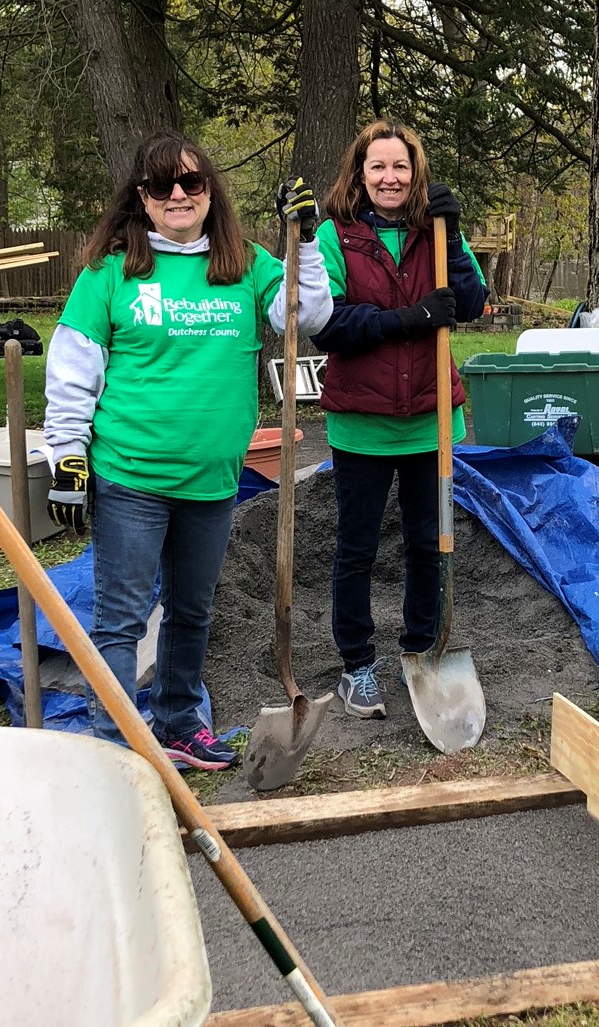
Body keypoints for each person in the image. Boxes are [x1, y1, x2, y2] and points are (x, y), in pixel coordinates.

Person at [43, 132, 331, 769]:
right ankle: (117, 743)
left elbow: (305, 317)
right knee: (121, 619)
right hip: (130, 477)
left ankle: (177, 723)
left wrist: (304, 242)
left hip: (212, 481)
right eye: (162, 186)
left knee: (192, 612)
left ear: (209, 195)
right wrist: (65, 453)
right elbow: (72, 367)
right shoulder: (112, 272)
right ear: (142, 200)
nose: (178, 195)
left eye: (191, 184)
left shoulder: (248, 265)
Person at [309, 119, 488, 719]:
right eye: (378, 166)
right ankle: (357, 665)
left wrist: (455, 236)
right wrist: (408, 319)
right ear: (360, 174)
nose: (390, 177)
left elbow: (468, 303)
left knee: (428, 542)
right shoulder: (337, 235)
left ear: (416, 173)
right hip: (361, 420)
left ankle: (421, 649)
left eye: (401, 166)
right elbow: (328, 323)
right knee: (356, 548)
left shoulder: (434, 230)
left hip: (430, 419)